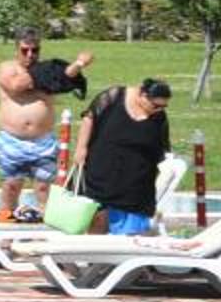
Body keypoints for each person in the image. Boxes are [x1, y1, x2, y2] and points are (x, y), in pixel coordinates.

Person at [0, 30, 93, 224]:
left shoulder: (48, 70)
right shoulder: (7, 68)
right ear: (16, 49)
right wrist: (56, 74)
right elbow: (17, 85)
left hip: (43, 141)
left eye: (35, 50)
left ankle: (45, 225)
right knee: (12, 184)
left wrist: (79, 64)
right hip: (13, 141)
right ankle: (5, 222)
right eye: (25, 50)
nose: (30, 55)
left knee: (44, 187)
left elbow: (65, 77)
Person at [69, 77, 174, 236]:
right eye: (155, 105)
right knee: (98, 216)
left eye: (163, 106)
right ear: (141, 94)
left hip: (136, 181)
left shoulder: (159, 117)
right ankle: (94, 254)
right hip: (102, 171)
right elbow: (89, 117)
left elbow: (161, 148)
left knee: (133, 228)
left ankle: (126, 254)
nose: (158, 109)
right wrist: (81, 148)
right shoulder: (114, 96)